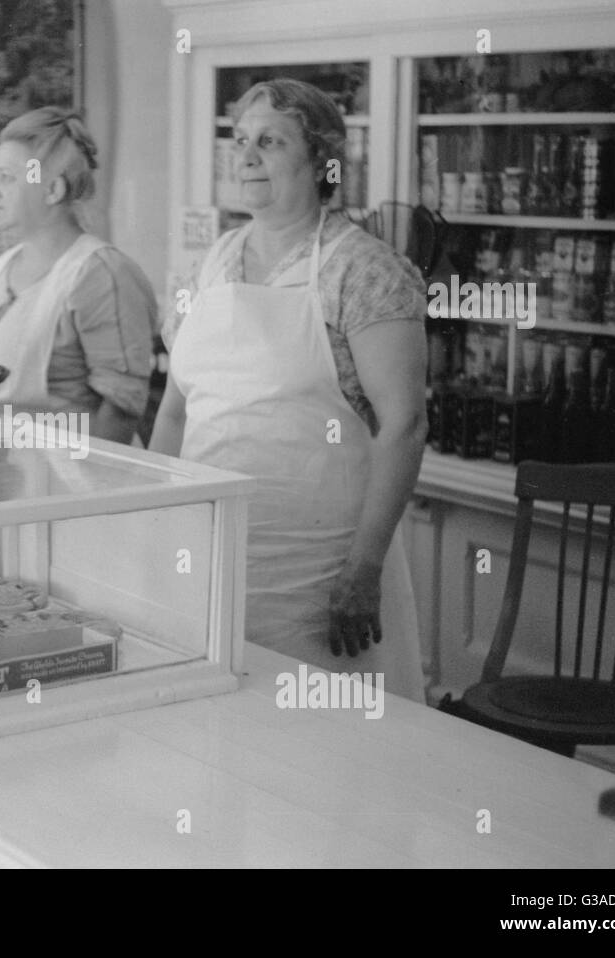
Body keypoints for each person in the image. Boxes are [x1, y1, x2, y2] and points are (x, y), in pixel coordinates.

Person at [150, 79, 428, 700]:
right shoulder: (211, 262)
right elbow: (175, 409)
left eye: (269, 141)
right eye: (240, 140)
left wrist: (364, 567)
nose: (246, 156)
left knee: (323, 761)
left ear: (322, 162)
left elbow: (405, 424)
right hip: (215, 557)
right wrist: (159, 523)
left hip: (320, 575)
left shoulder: (363, 269)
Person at [0, 107, 156, 443]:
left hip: (64, 483)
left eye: (6, 177)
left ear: (53, 191)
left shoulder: (102, 274)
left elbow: (121, 412)